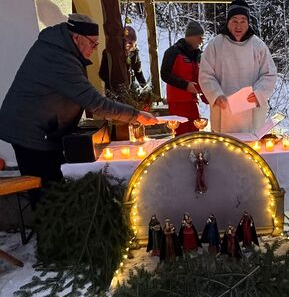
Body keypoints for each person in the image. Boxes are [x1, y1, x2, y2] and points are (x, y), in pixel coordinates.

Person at [0, 14, 159, 200]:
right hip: (30, 133)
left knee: (58, 181)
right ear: (76, 37)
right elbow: (95, 102)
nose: (94, 49)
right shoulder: (59, 58)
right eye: (92, 43)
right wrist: (136, 115)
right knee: (48, 191)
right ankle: (49, 217)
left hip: (43, 130)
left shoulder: (62, 49)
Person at [199, 0, 277, 134]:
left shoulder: (258, 46)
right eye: (234, 21)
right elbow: (206, 74)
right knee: (224, 145)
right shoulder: (216, 45)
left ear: (248, 23)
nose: (238, 26)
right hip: (223, 111)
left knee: (250, 146)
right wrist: (216, 95)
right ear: (228, 22)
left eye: (243, 21)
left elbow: (269, 74)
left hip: (251, 111)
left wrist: (258, 93)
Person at [160, 20, 205, 135]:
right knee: (182, 134)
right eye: (200, 37)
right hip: (177, 102)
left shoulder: (196, 55)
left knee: (195, 134)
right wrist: (185, 85)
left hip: (192, 101)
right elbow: (164, 74)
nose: (201, 41)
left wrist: (205, 93)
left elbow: (198, 76)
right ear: (191, 36)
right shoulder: (173, 52)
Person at [99, 25, 147, 91]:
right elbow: (102, 73)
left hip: (130, 90)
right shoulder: (109, 53)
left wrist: (145, 87)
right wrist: (115, 82)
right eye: (124, 41)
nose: (127, 45)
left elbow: (138, 71)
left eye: (130, 43)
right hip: (113, 90)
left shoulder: (134, 53)